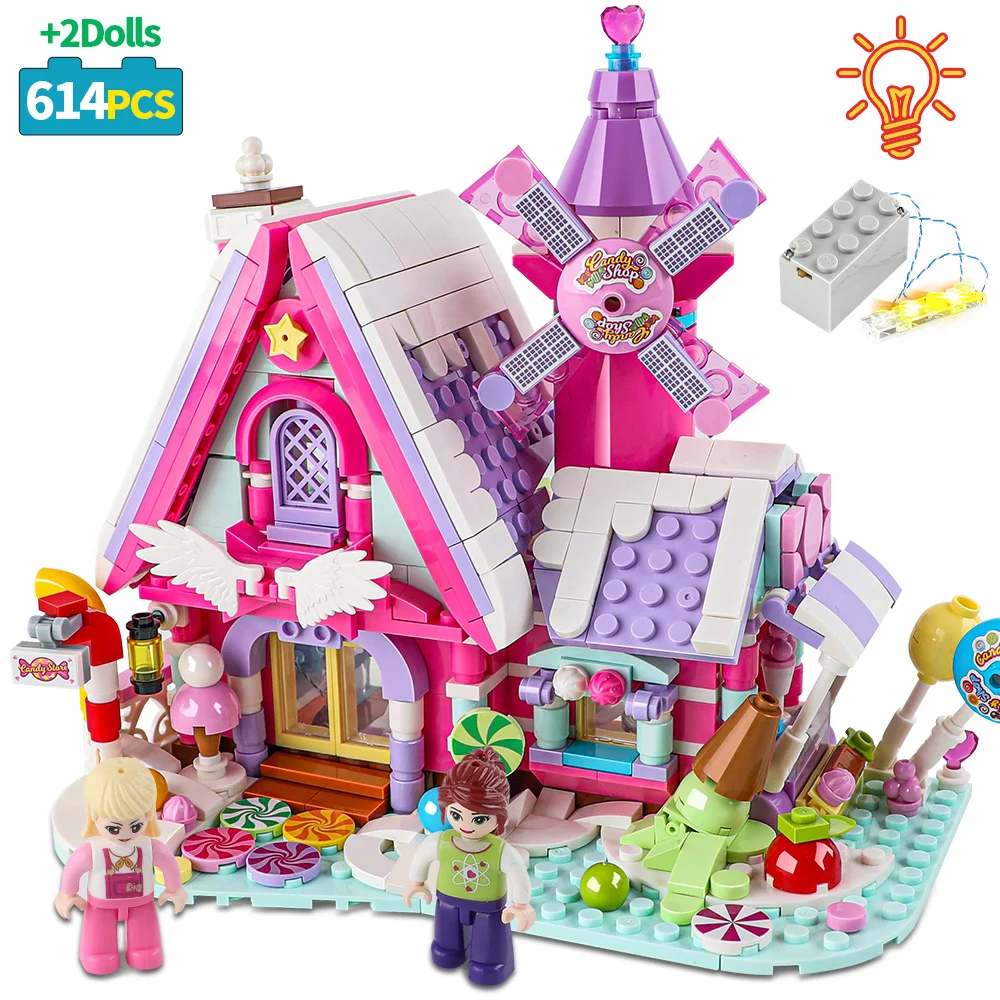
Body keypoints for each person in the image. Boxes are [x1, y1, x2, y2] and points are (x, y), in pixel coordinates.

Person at [404, 747, 535, 986]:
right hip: (448, 900)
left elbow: (518, 875)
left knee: (488, 952)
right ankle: (448, 951)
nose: (467, 825)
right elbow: (422, 856)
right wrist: (416, 882)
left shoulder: (500, 850)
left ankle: (490, 965)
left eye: (479, 819)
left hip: (489, 907)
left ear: (499, 816)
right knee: (446, 945)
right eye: (456, 815)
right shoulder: (442, 841)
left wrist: (521, 905)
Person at [55, 757, 187, 974]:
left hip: (141, 901)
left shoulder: (149, 847)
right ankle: (98, 955)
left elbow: (167, 861)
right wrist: (67, 894)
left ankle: (145, 951)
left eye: (135, 826)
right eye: (114, 828)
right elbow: (74, 867)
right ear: (94, 816)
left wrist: (175, 888)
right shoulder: (92, 851)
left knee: (145, 941)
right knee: (98, 939)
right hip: (101, 903)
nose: (125, 835)